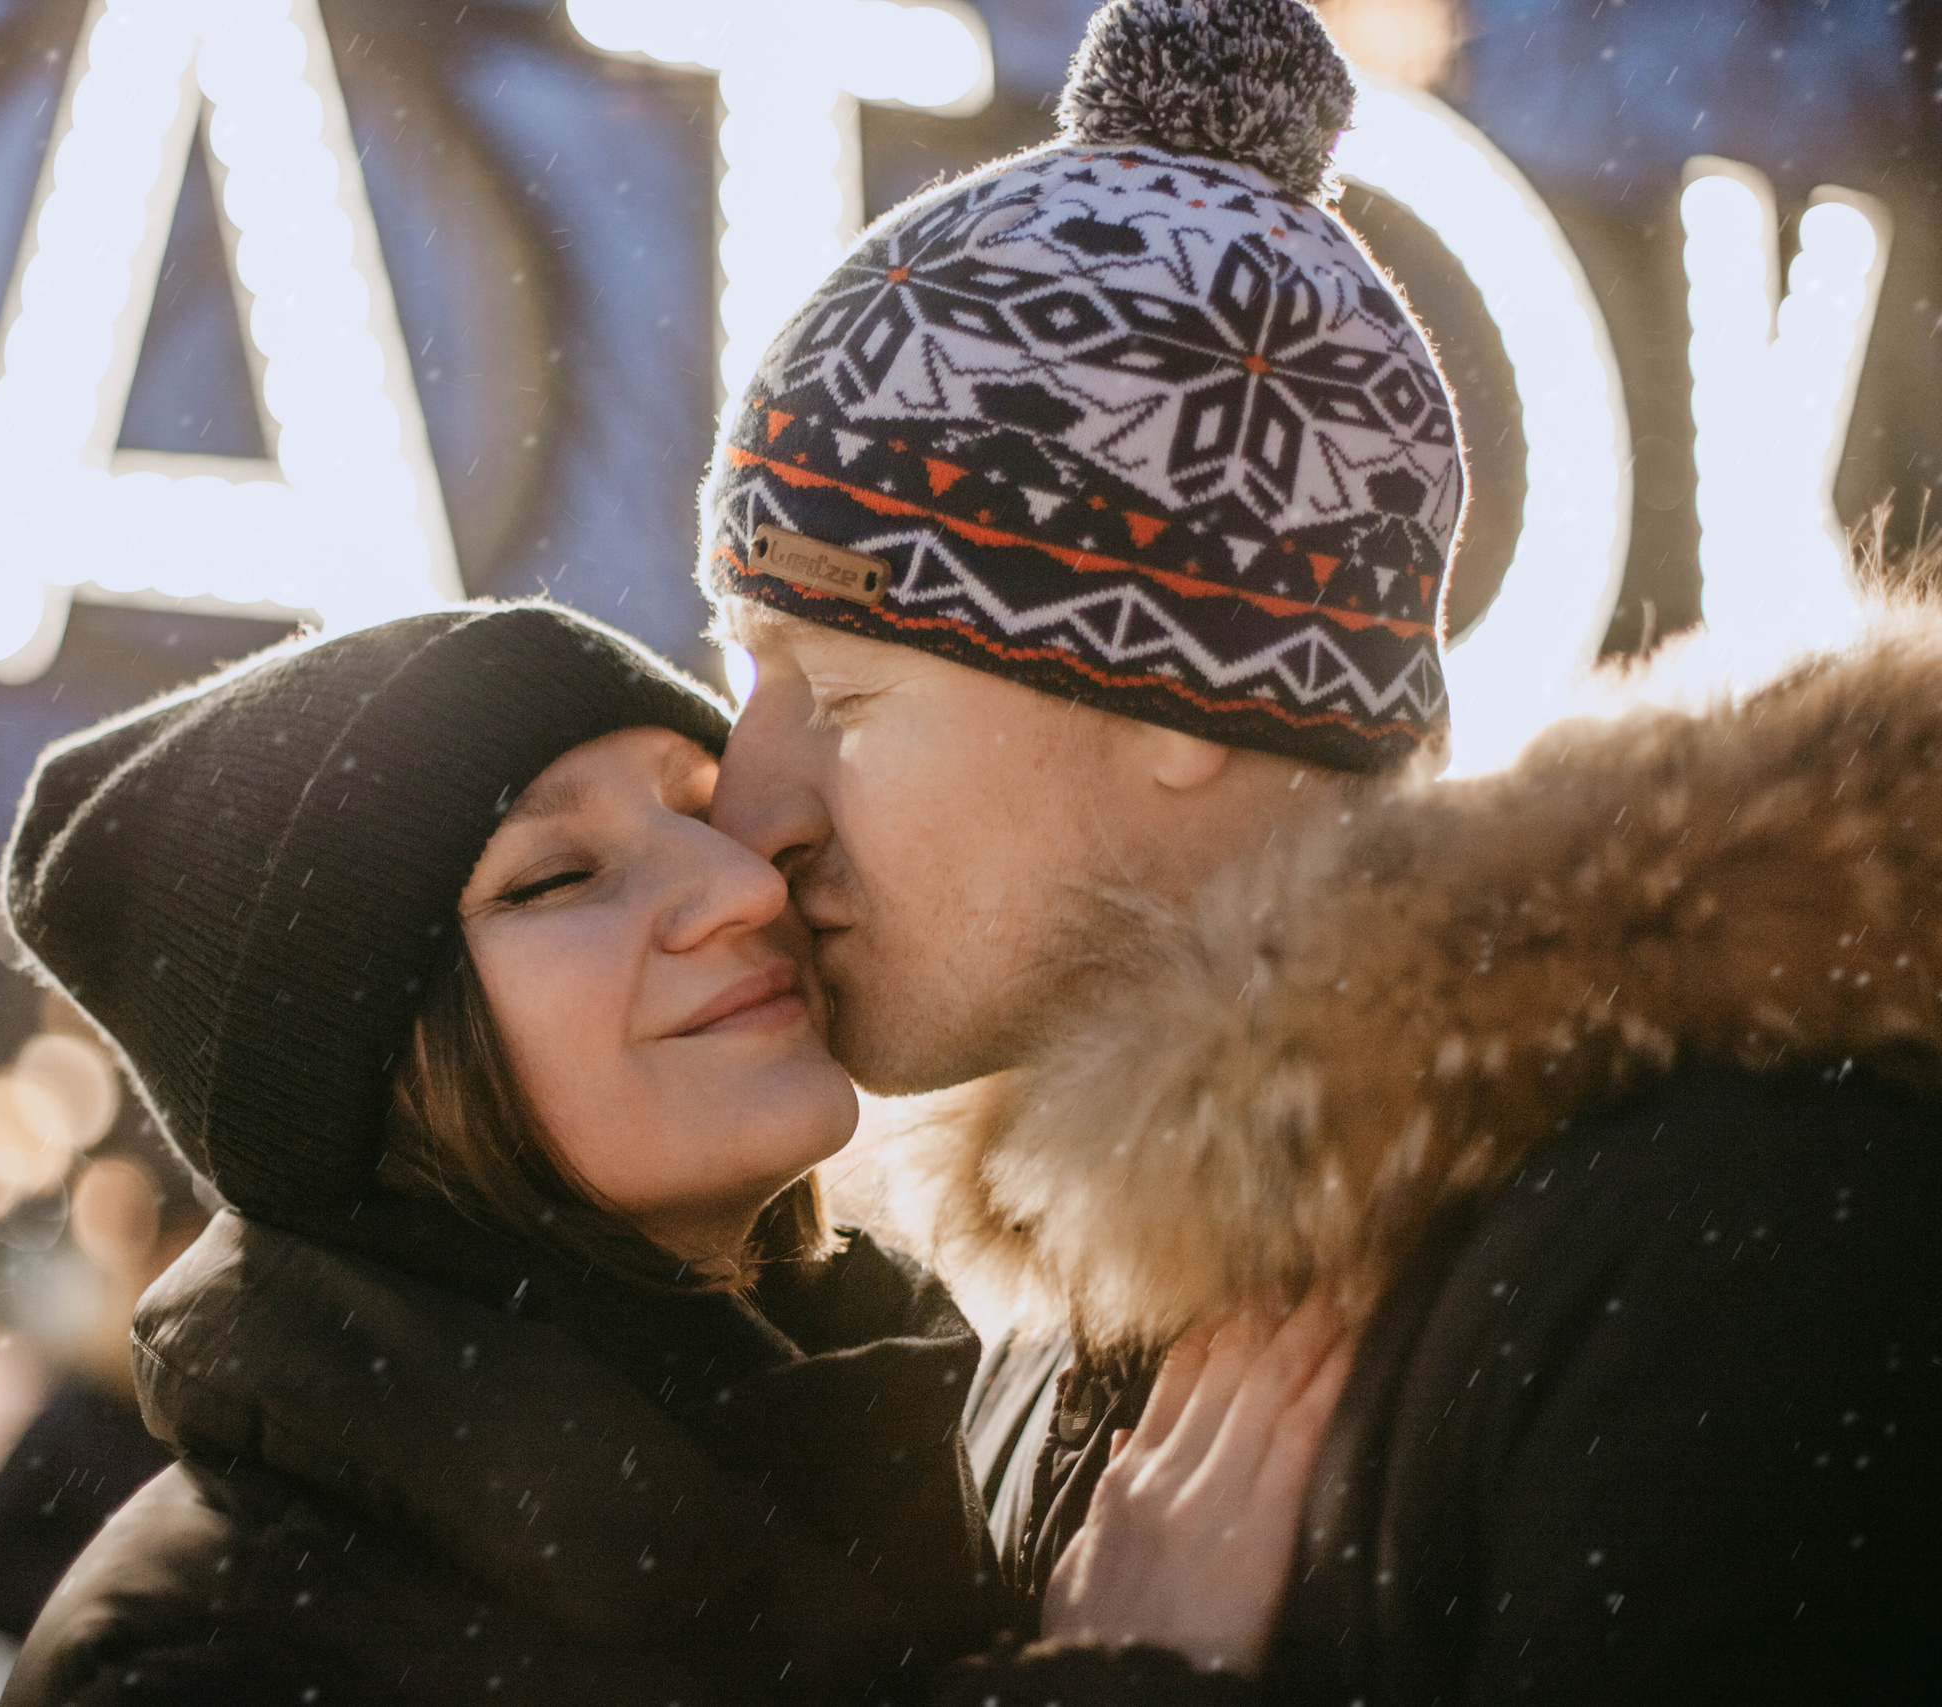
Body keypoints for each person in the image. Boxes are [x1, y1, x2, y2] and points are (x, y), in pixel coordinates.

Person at [700, 0, 1941, 1699]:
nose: (740, 802)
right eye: (739, 680)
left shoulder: (1733, 1250)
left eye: (839, 695)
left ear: (1175, 692)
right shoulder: (1067, 1301)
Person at [0, 600, 1351, 1706]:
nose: (743, 887)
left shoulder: (907, 1442)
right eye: (553, 878)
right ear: (368, 1075)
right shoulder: (224, 1660)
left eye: (701, 811)